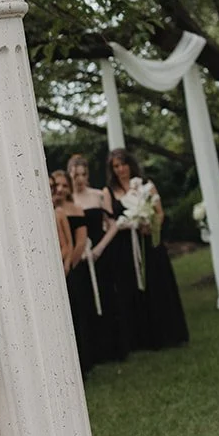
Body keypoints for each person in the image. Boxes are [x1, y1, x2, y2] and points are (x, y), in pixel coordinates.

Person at [105, 148, 188, 350]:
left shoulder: (146, 186)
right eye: (116, 166)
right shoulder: (109, 192)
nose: (120, 169)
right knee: (132, 289)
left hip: (149, 243)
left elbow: (160, 213)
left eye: (123, 164)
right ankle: (141, 337)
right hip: (126, 247)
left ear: (130, 164)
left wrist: (150, 225)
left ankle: (168, 333)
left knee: (157, 283)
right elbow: (109, 220)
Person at [66, 152, 128, 364]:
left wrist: (100, 248)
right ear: (70, 175)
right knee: (86, 301)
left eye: (83, 174)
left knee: (108, 295)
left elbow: (113, 224)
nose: (80, 179)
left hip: (101, 251)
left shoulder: (98, 195)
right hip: (81, 257)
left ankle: (115, 347)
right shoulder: (68, 201)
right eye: (76, 175)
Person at [51, 170, 94, 375]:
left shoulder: (70, 211)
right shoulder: (53, 210)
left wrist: (69, 264)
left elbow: (76, 243)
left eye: (62, 185)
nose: (59, 189)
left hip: (71, 267)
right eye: (55, 186)